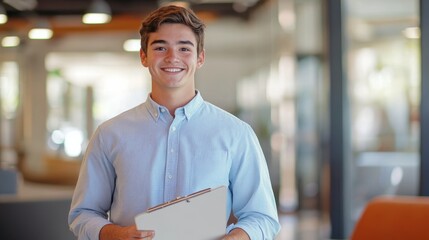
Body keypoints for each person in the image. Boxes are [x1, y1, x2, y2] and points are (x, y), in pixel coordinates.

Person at [68, 5, 280, 240]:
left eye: (184, 48)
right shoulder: (110, 134)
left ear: (200, 57)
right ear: (143, 56)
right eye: (160, 47)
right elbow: (83, 214)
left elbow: (262, 217)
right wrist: (116, 234)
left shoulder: (236, 134)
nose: (172, 57)